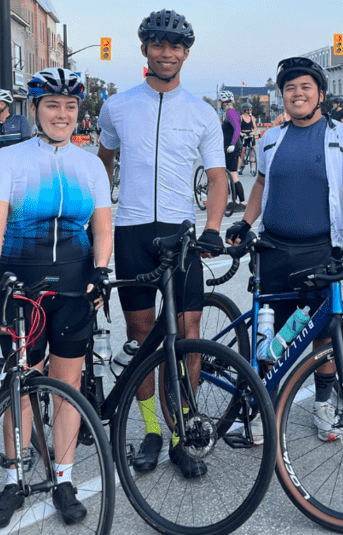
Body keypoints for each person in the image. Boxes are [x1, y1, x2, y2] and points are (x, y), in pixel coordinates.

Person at [0, 67, 113, 528]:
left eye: (70, 106)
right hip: (21, 289)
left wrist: (101, 270)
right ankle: (14, 480)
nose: (62, 114)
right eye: (52, 105)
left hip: (73, 288)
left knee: (67, 389)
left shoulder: (90, 163)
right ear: (34, 110)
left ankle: (63, 477)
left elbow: (103, 225)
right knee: (22, 386)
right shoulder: (9, 160)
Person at [96, 8, 228, 479]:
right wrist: (99, 215)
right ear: (145, 49)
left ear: (186, 53)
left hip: (180, 234)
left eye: (175, 46)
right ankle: (153, 430)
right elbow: (103, 161)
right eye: (158, 44)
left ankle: (181, 432)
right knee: (141, 336)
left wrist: (212, 225)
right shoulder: (115, 105)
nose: (166, 52)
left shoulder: (201, 111)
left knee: (189, 336)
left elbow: (218, 177)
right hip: (131, 231)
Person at [225, 56, 343, 443]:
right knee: (267, 336)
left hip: (320, 251)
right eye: (290, 88)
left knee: (322, 336)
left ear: (320, 94)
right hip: (272, 250)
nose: (297, 93)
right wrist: (246, 221)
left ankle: (323, 407)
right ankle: (261, 410)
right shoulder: (271, 138)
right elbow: (259, 186)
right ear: (283, 97)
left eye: (305, 87)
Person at [218, 89, 247, 209]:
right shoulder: (229, 113)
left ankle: (242, 203)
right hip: (229, 148)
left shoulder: (231, 113)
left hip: (232, 148)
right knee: (230, 174)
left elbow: (237, 129)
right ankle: (234, 201)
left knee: (234, 176)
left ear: (223, 102)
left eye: (220, 101)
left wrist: (233, 144)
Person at [238, 102, 258, 175]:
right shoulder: (241, 117)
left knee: (252, 151)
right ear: (246, 110)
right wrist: (241, 134)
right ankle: (239, 168)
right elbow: (238, 128)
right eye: (249, 109)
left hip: (250, 134)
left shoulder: (252, 117)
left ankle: (252, 169)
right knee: (242, 152)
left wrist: (253, 132)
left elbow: (255, 127)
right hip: (243, 135)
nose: (251, 110)